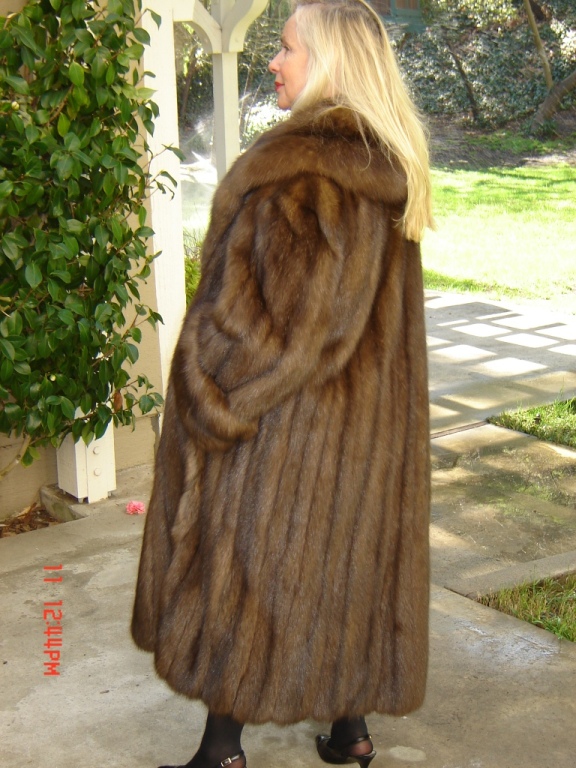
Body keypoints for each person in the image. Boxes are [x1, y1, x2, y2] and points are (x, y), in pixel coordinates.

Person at [131, 1, 433, 767]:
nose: (274, 61)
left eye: (288, 47)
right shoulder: (381, 167)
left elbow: (283, 331)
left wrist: (208, 388)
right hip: (360, 430)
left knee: (249, 571)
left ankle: (221, 751)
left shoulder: (305, 174)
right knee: (340, 563)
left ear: (328, 60)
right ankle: (350, 731)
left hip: (283, 429)